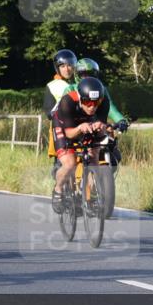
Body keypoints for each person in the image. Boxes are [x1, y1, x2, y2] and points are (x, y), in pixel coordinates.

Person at [50, 77, 111, 213]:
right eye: (88, 102)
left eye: (96, 102)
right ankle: (58, 190)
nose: (92, 107)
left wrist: (101, 127)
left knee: (93, 158)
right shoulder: (68, 101)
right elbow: (70, 134)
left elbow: (101, 126)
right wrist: (79, 128)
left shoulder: (105, 101)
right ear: (80, 98)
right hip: (64, 126)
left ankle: (88, 198)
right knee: (70, 163)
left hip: (86, 124)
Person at [74, 58, 129, 132]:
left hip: (96, 122)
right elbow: (62, 111)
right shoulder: (70, 88)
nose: (88, 78)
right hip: (73, 124)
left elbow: (110, 107)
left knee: (109, 136)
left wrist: (120, 120)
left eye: (91, 75)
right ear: (77, 75)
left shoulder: (101, 88)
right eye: (84, 75)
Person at [43, 49, 78, 160]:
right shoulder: (52, 85)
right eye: (62, 66)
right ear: (57, 68)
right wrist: (64, 102)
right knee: (64, 165)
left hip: (81, 128)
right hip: (61, 130)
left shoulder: (82, 83)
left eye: (69, 65)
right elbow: (49, 113)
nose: (66, 69)